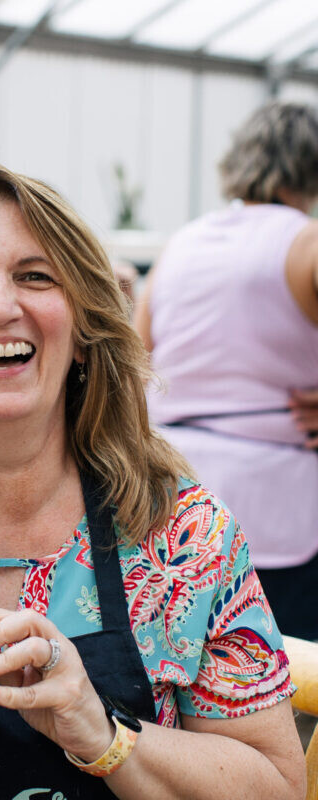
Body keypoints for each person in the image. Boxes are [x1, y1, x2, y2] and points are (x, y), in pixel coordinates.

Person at [0, 160, 305, 798]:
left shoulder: (185, 538)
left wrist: (100, 732)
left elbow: (277, 787)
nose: (1, 306)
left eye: (36, 276)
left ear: (86, 330)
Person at [134, 101, 318, 640]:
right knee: (285, 672)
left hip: (175, 493)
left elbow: (138, 360)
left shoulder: (181, 243)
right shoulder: (306, 243)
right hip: (277, 498)